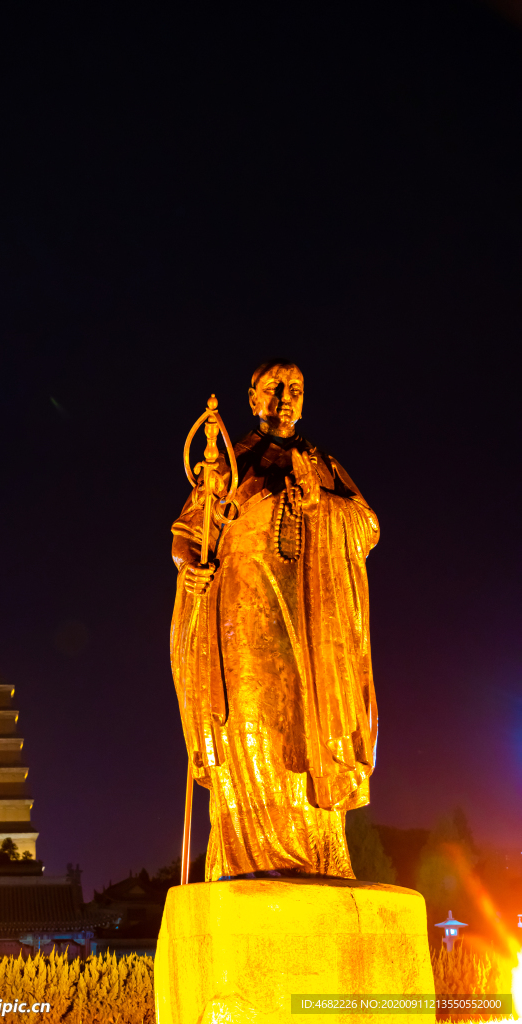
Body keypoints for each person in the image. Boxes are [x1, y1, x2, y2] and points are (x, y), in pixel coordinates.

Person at [170, 359, 379, 879]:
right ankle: (247, 863)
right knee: (250, 729)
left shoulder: (322, 464)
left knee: (306, 732)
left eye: (297, 389)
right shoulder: (233, 464)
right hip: (241, 616)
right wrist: (192, 568)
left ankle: (318, 859)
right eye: (275, 387)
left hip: (309, 621)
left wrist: (321, 504)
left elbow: (368, 526)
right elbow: (186, 534)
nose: (287, 397)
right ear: (253, 397)